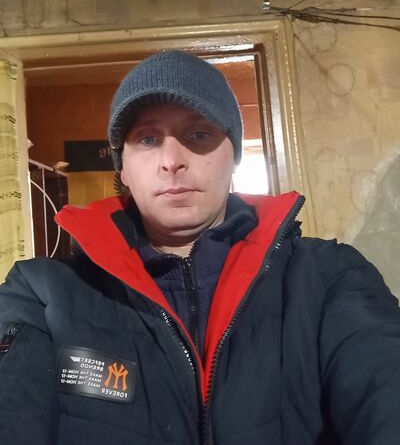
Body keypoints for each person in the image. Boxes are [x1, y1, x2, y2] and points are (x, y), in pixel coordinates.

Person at [0, 50, 399, 445]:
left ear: (234, 156)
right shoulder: (40, 295)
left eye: (199, 135)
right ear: (123, 167)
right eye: (148, 138)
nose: (172, 160)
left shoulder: (329, 277)